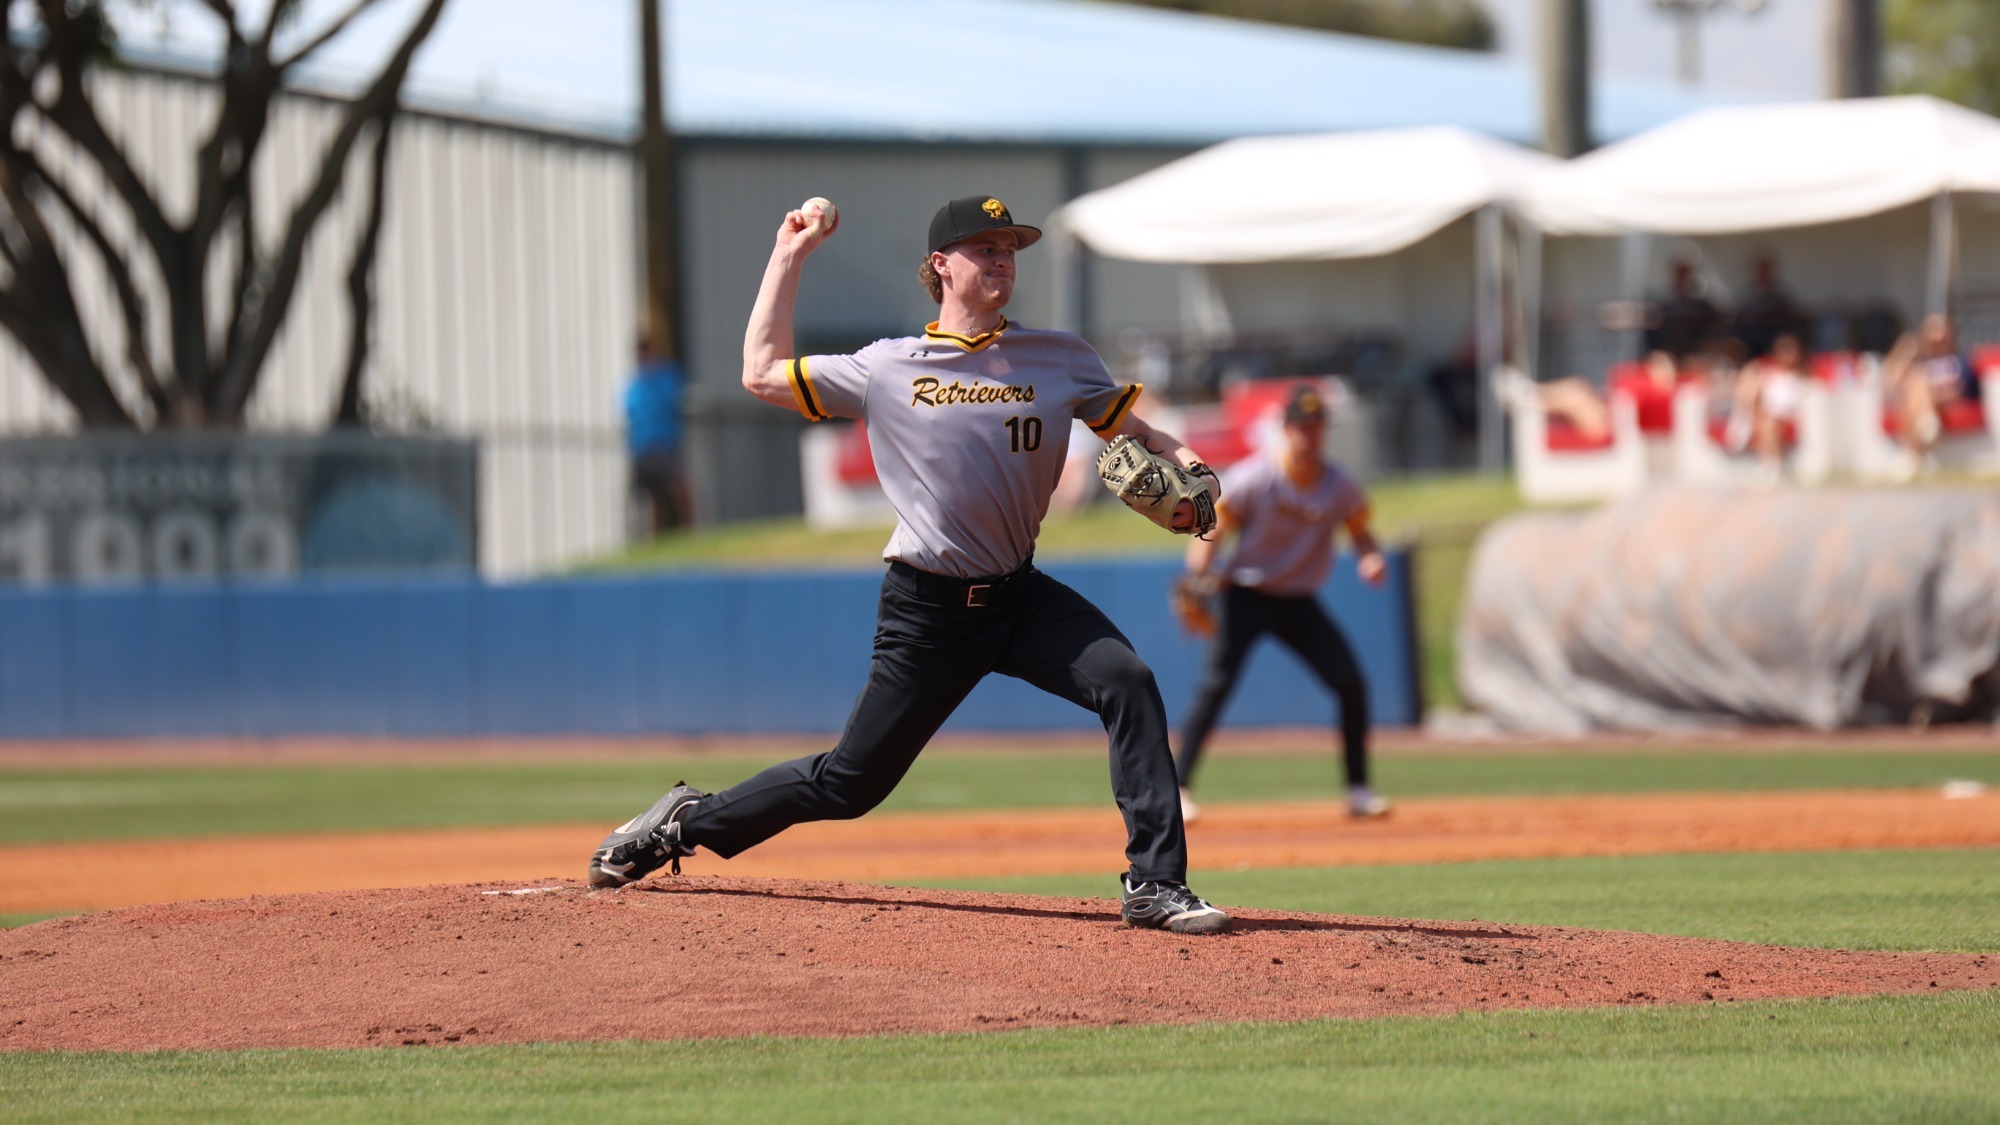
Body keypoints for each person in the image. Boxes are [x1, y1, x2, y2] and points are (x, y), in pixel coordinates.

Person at [587, 195, 1233, 934]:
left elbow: (1146, 433)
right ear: (940, 264)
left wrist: (1196, 476)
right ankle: (685, 821)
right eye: (983, 247)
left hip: (1019, 597)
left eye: (1010, 247)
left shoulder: (1062, 357)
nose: (1001, 258)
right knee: (849, 783)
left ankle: (1155, 883)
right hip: (927, 611)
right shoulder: (888, 367)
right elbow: (761, 372)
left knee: (1128, 680)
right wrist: (788, 256)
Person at [1172, 383, 1390, 823]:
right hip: (1246, 597)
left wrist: (1369, 556)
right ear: (1286, 430)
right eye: (1301, 426)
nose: (1309, 435)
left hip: (1298, 601)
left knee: (1350, 683)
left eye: (1316, 427)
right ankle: (1177, 789)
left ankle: (1359, 790)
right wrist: (1196, 576)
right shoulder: (1257, 477)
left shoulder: (1337, 483)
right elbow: (1213, 527)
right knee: (1216, 688)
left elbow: (1361, 530)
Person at [1883, 313, 1980, 453]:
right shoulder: (1921, 362)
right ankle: (1927, 425)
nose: (1938, 343)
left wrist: (1933, 390)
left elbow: (1963, 387)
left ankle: (1913, 451)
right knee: (1914, 387)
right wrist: (1904, 355)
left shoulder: (1961, 361)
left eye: (1942, 339)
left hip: (1951, 397)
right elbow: (1892, 384)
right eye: (1934, 340)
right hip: (1924, 400)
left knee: (1917, 385)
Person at [623, 336, 691, 534]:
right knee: (654, 497)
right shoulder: (635, 384)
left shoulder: (667, 376)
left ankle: (689, 530)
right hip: (644, 446)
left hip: (665, 444)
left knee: (679, 489)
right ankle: (655, 537)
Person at [1726, 333, 1807, 473]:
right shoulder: (1768, 373)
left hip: (1788, 414)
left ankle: (1771, 465)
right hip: (1765, 412)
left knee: (1768, 422)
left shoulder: (1803, 377)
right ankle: (1768, 462)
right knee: (1764, 417)